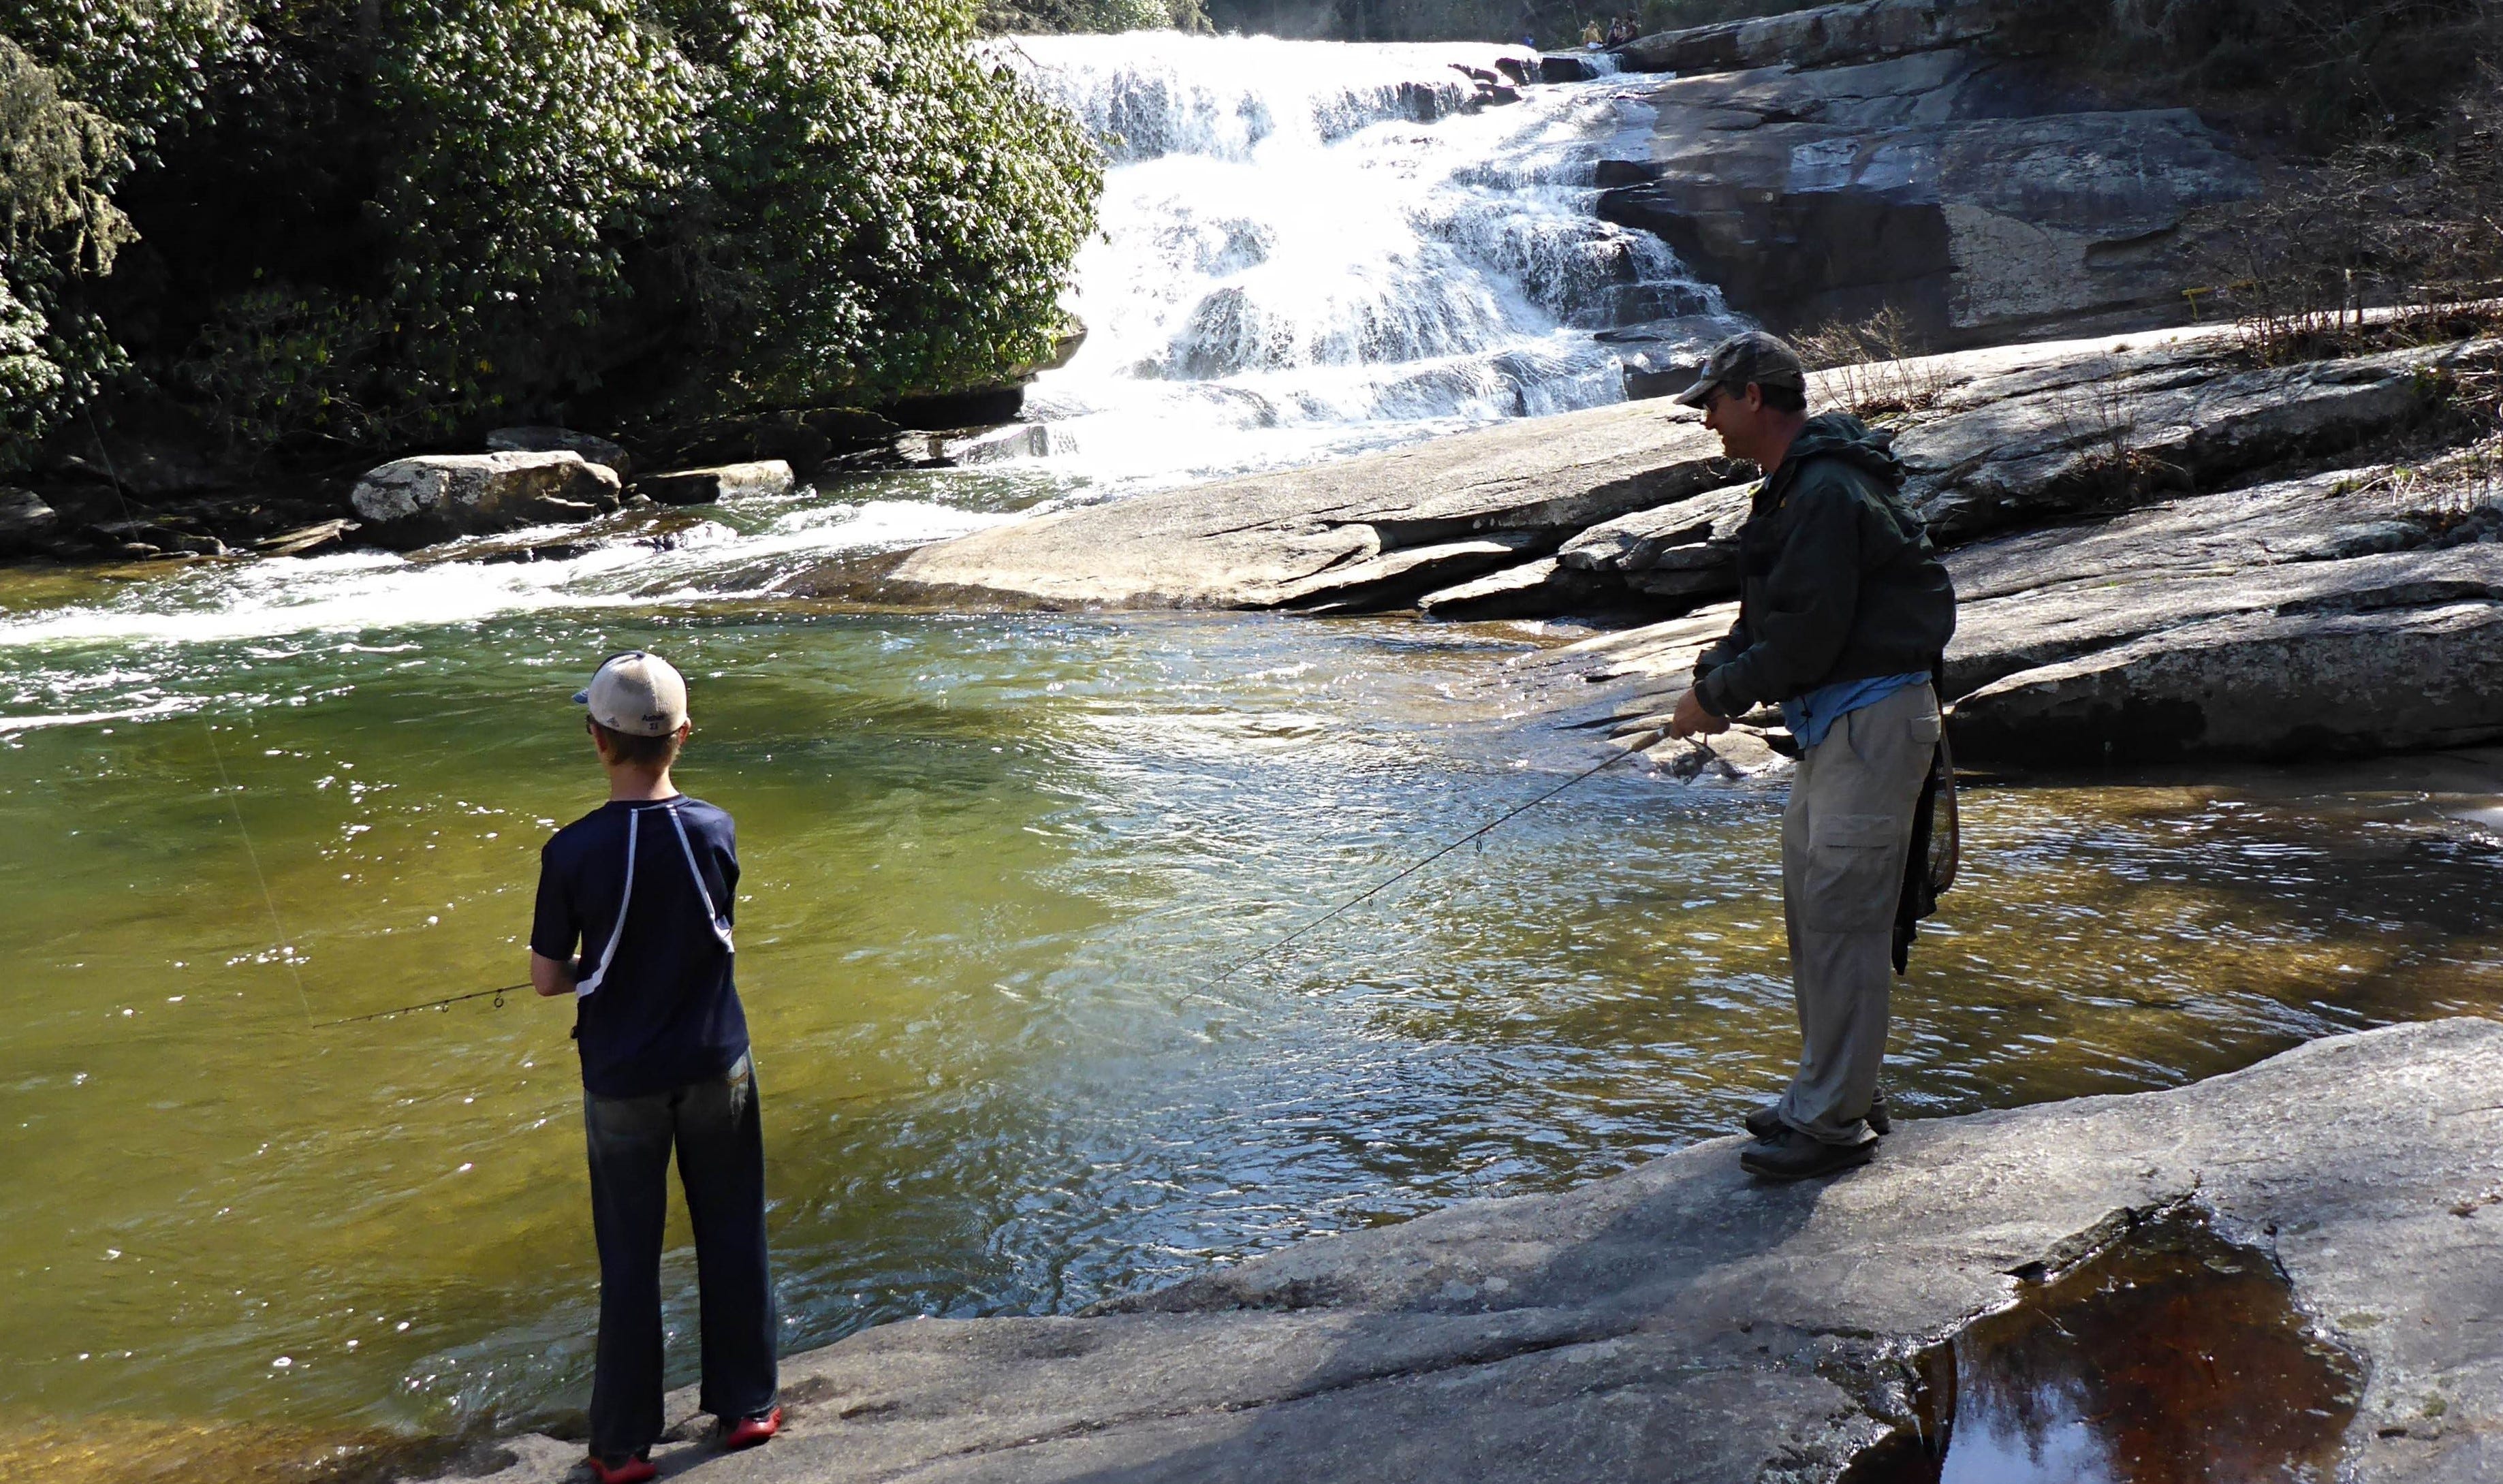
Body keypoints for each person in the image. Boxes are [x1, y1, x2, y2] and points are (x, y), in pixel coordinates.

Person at [1666, 332, 1957, 1182]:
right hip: (1839, 726)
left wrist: (1716, 699)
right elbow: (1770, 619)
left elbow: (1809, 636)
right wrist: (1712, 673)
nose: (1707, 422)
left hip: (1871, 722)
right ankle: (1834, 1091)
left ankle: (1834, 1121)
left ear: (1754, 397)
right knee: (1815, 910)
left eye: (1712, 404)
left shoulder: (1826, 491)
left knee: (1844, 920)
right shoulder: (1794, 491)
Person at [530, 650, 780, 1484]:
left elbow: (545, 978)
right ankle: (745, 1406)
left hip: (622, 1079)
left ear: (595, 740)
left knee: (629, 1255)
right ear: (684, 736)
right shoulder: (716, 827)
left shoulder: (570, 851)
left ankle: (624, 1445)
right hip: (718, 1064)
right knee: (734, 1230)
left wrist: (588, 967)